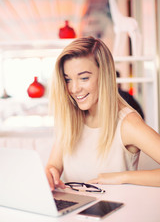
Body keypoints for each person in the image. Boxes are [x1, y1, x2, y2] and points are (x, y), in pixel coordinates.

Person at [46, 36, 160, 190]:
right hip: (74, 211)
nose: (74, 89)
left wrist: (123, 177)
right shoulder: (70, 117)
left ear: (104, 75)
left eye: (84, 78)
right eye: (68, 79)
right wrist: (50, 173)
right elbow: (53, 165)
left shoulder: (128, 124)